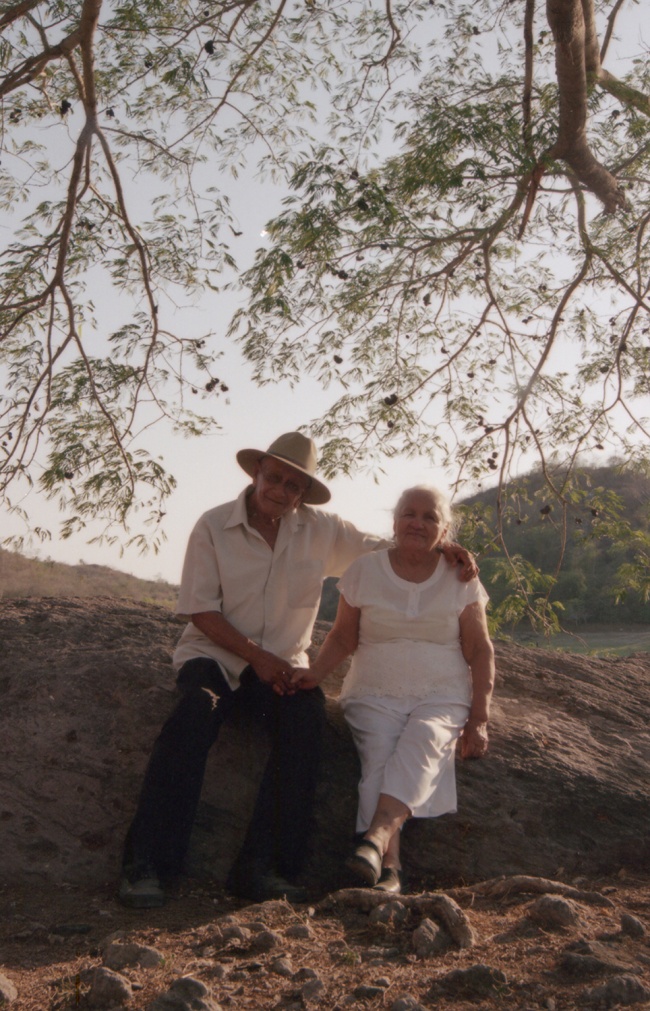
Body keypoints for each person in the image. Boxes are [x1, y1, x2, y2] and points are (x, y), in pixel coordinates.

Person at [119, 434, 477, 908]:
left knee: (306, 724)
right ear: (257, 473)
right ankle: (147, 866)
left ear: (303, 493)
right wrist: (258, 657)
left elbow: (390, 546)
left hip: (283, 669)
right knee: (194, 713)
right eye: (275, 478)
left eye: (294, 485)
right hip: (215, 658)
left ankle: (263, 868)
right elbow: (200, 611)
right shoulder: (212, 527)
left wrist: (445, 547)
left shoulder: (322, 529)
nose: (281, 491)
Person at [291, 485, 494, 894]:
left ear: (445, 529)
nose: (418, 523)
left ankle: (375, 840)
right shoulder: (364, 570)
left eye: (430, 517)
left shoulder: (461, 576)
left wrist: (479, 718)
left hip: (442, 693)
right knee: (379, 755)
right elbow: (343, 638)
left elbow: (479, 649)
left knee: (425, 738)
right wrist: (314, 673)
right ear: (395, 521)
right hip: (373, 690)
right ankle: (391, 868)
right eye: (409, 514)